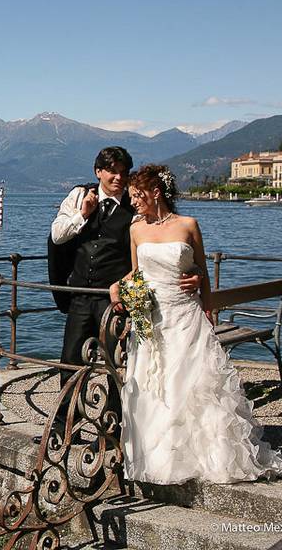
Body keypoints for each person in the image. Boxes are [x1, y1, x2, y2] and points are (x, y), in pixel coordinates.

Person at [109, 165, 282, 484]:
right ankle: (158, 458)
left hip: (186, 315)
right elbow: (138, 274)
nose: (133, 201)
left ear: (155, 192)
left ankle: (207, 456)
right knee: (154, 385)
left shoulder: (188, 225)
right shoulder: (135, 229)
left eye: (137, 195)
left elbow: (201, 269)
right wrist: (116, 285)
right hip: (152, 319)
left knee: (192, 385)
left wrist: (203, 292)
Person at [48, 148, 200, 426]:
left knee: (117, 363)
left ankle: (115, 425)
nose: (118, 177)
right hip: (81, 294)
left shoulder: (137, 204)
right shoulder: (80, 196)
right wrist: (83, 215)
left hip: (118, 298)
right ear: (98, 172)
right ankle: (64, 424)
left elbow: (167, 241)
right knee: (70, 359)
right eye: (112, 171)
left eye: (123, 172)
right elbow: (57, 236)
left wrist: (194, 273)